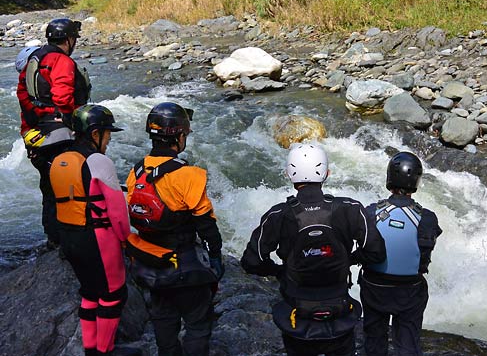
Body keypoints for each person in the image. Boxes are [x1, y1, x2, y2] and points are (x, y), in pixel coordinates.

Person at [241, 142, 386, 356]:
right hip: (339, 310)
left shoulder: (278, 215)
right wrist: (349, 259)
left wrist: (279, 271)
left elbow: (251, 262)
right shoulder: (350, 208)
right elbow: (377, 252)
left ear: (289, 174)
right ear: (326, 174)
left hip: (297, 313)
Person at [125, 102, 223, 356]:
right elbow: (207, 225)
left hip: (150, 266)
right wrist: (215, 257)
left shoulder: (135, 173)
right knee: (198, 325)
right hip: (185, 265)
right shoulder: (189, 174)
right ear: (179, 137)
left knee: (163, 324)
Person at [49, 104, 130, 356]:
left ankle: (90, 349)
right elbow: (118, 214)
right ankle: (104, 351)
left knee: (89, 292)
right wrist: (127, 241)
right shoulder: (98, 161)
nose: (109, 140)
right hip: (98, 239)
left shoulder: (60, 159)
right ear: (95, 134)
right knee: (114, 294)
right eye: (107, 133)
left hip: (69, 238)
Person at [16, 18, 90, 247]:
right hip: (60, 135)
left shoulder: (33, 60)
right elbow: (63, 98)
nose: (75, 42)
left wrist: (37, 117)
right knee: (73, 186)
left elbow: (22, 94)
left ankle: (53, 238)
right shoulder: (62, 61)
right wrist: (70, 118)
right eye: (74, 38)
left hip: (38, 132)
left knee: (49, 189)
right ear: (67, 40)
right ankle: (73, 237)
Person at [359, 152, 442, 356]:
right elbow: (425, 252)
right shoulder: (428, 218)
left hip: (374, 288)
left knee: (374, 341)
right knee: (408, 345)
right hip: (410, 290)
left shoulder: (371, 212)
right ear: (416, 180)